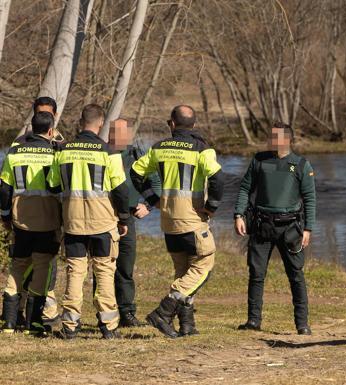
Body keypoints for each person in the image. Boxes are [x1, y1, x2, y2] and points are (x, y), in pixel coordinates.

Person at [130, 105, 224, 338]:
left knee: (183, 272)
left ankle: (187, 324)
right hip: (192, 220)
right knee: (204, 265)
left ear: (172, 124)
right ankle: (163, 311)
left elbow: (135, 173)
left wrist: (153, 198)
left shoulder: (159, 148)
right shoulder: (202, 149)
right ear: (194, 125)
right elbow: (218, 179)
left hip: (169, 221)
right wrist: (211, 207)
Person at [47, 104, 130, 340]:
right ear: (101, 123)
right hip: (102, 222)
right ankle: (108, 326)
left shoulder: (62, 151)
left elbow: (53, 185)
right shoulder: (109, 152)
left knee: (75, 272)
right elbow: (121, 190)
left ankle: (70, 326)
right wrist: (123, 217)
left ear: (80, 122)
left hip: (73, 221)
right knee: (104, 271)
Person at [234, 121, 316, 335]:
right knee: (256, 273)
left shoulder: (300, 164)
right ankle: (253, 321)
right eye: (270, 136)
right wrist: (239, 214)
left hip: (291, 228)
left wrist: (308, 228)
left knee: (296, 274)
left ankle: (302, 324)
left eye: (276, 137)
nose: (272, 140)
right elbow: (245, 188)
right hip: (262, 225)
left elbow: (310, 198)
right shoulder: (259, 161)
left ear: (288, 139)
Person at [2, 97, 62, 333]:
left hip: (20, 220)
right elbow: (57, 187)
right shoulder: (54, 153)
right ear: (50, 130)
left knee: (17, 266)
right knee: (42, 267)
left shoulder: (15, 152)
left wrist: (5, 215)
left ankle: (8, 322)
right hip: (47, 220)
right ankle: (34, 322)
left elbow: (4, 188)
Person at [107, 119, 161, 327]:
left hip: (128, 216)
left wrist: (149, 205)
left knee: (125, 266)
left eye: (121, 133)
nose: (117, 137)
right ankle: (105, 312)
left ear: (128, 135)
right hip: (104, 216)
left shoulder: (136, 154)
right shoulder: (102, 153)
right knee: (104, 266)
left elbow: (154, 181)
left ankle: (127, 313)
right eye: (114, 132)